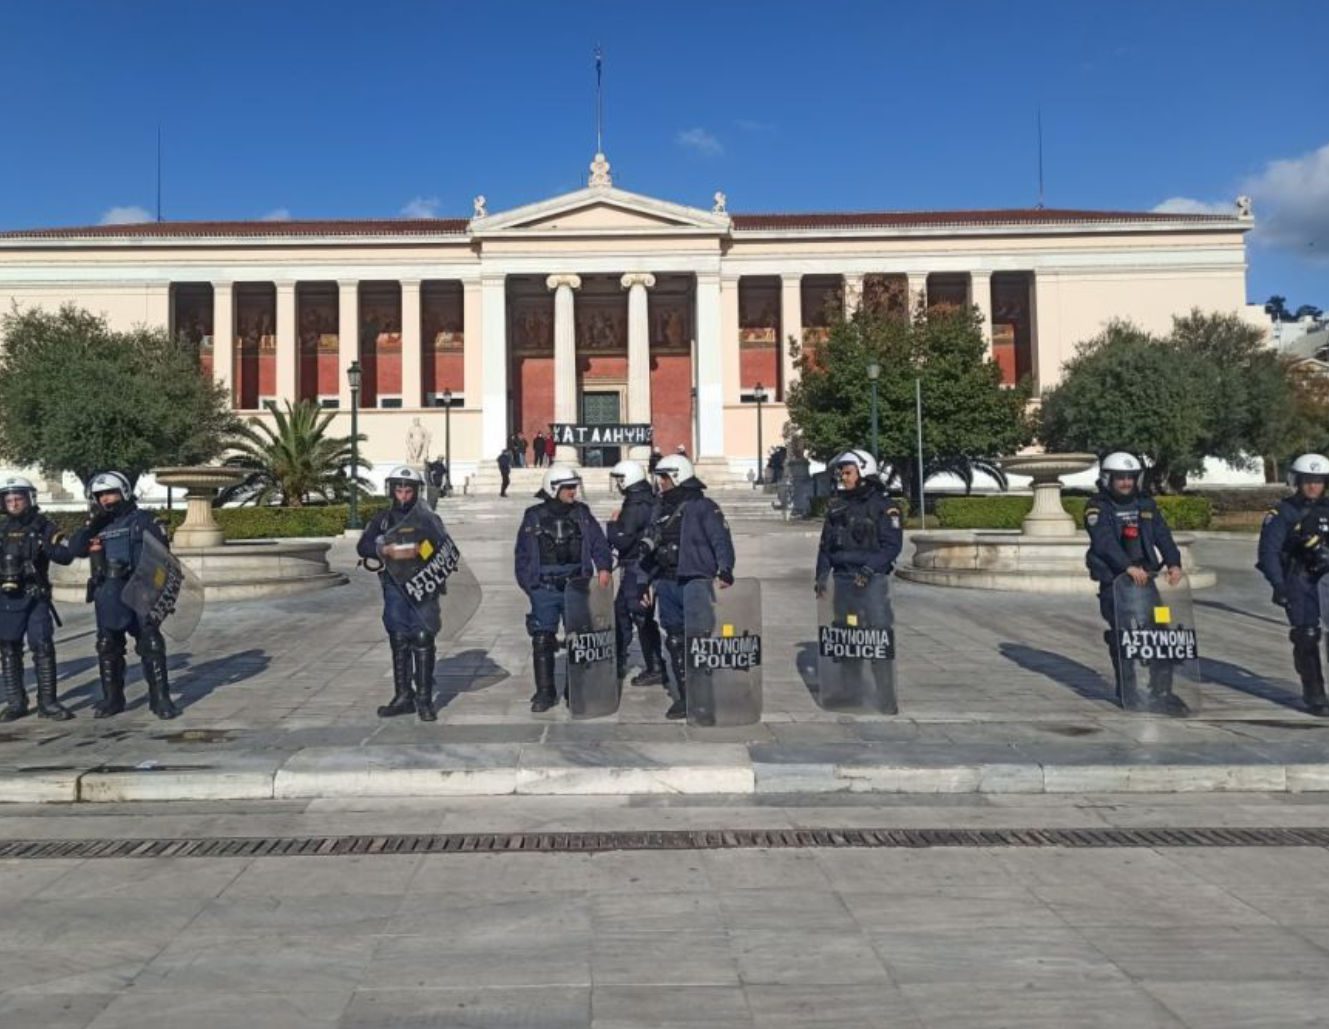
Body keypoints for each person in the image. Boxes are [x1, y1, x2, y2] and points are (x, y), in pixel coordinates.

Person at [67, 472, 179, 719]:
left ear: (124, 492)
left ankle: (161, 699)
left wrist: (156, 593)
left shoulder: (144, 520)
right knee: (108, 645)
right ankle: (113, 699)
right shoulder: (100, 525)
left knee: (150, 643)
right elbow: (74, 550)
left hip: (140, 592)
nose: (105, 499)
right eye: (100, 496)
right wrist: (92, 527)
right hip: (108, 593)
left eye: (110, 493)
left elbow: (163, 558)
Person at [1084, 452, 1187, 715]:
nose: (1126, 483)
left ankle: (1162, 691)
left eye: (1130, 477)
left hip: (1146, 580)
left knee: (1161, 633)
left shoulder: (1145, 504)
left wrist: (1174, 563)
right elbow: (1104, 542)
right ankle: (1128, 690)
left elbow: (1162, 535)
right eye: (1120, 478)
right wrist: (1126, 567)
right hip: (1115, 582)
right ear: (1108, 478)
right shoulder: (1097, 507)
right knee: (1123, 636)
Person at [639, 454, 736, 719]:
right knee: (674, 639)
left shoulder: (703, 506)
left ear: (678, 476)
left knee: (700, 637)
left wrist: (725, 569)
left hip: (695, 581)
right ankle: (685, 696)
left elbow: (720, 539)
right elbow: (649, 546)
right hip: (667, 580)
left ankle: (706, 690)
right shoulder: (659, 507)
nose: (660, 482)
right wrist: (643, 583)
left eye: (664, 477)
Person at [514, 466, 612, 712]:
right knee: (542, 639)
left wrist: (604, 567)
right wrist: (531, 586)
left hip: (575, 585)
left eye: (574, 486)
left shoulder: (581, 513)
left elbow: (599, 542)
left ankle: (575, 688)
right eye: (568, 487)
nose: (573, 491)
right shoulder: (533, 515)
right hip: (545, 587)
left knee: (578, 639)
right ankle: (545, 692)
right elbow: (522, 554)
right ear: (553, 488)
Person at [355, 466, 444, 722]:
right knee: (399, 637)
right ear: (392, 490)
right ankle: (403, 695)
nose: (404, 495)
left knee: (423, 637)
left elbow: (440, 546)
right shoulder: (382, 519)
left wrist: (416, 551)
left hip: (423, 585)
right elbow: (364, 545)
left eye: (408, 490)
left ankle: (425, 700)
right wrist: (384, 550)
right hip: (394, 586)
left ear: (417, 492)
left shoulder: (428, 519)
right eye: (399, 490)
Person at [1257, 453, 1329, 716]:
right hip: (1299, 580)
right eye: (1308, 480)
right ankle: (1315, 694)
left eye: (1319, 481)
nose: (1313, 486)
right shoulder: (1283, 512)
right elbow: (1268, 552)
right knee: (1306, 636)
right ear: (1297, 481)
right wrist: (1278, 585)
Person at [0, 475, 77, 720]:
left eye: (18, 498)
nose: (13, 503)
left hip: (36, 595)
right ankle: (15, 702)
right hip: (8, 596)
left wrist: (50, 545)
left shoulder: (44, 526)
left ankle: (48, 702)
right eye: (8, 499)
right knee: (9, 647)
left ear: (29, 498)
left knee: (42, 646)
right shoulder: (2, 529)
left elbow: (64, 556)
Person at [813, 449, 903, 599]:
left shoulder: (884, 507)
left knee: (875, 622)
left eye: (848, 473)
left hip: (873, 582)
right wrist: (821, 576)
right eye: (842, 473)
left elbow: (892, 546)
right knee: (837, 623)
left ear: (863, 472)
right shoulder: (837, 508)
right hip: (841, 581)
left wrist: (869, 569)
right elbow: (826, 547)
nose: (843, 477)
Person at [606, 460, 664, 687]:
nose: (618, 484)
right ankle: (620, 659)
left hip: (636, 566)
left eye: (620, 479)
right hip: (643, 565)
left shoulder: (635, 504)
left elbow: (623, 539)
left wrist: (612, 526)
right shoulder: (648, 499)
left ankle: (655, 666)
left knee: (640, 615)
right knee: (621, 611)